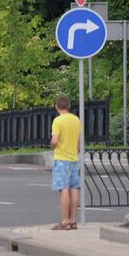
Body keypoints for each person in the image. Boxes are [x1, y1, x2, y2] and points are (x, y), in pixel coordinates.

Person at [50, 95, 81, 231]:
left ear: (56, 106)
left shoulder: (58, 121)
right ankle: (73, 220)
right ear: (69, 106)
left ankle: (65, 221)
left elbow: (55, 140)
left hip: (62, 158)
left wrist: (52, 146)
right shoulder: (76, 120)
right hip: (74, 158)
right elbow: (79, 143)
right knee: (74, 189)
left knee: (63, 189)